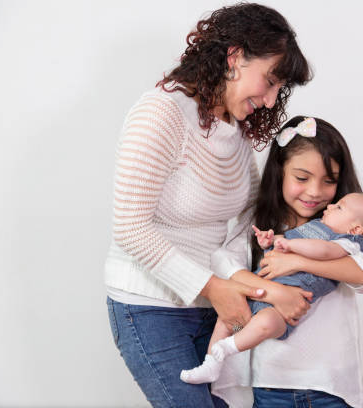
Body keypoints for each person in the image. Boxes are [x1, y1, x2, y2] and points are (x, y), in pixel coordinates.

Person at [104, 4, 312, 407]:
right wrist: (217, 288)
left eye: (277, 90)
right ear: (234, 57)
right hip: (149, 306)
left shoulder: (231, 127)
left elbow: (252, 212)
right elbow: (130, 227)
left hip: (210, 306)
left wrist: (310, 248)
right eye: (269, 81)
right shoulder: (161, 112)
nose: (270, 101)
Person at [208, 116, 363, 408]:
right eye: (302, 178)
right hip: (271, 381)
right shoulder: (260, 222)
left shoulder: (344, 230)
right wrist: (276, 292)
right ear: (280, 173)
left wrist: (297, 264)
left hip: (330, 384)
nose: (315, 192)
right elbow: (224, 265)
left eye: (328, 181)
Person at [180, 190, 363, 384]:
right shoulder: (315, 227)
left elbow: (324, 251)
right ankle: (211, 364)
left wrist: (292, 249)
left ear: (355, 229)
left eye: (339, 207)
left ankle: (227, 348)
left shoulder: (347, 243)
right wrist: (271, 240)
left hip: (279, 310)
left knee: (265, 324)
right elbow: (288, 240)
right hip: (260, 294)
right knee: (227, 319)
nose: (329, 206)